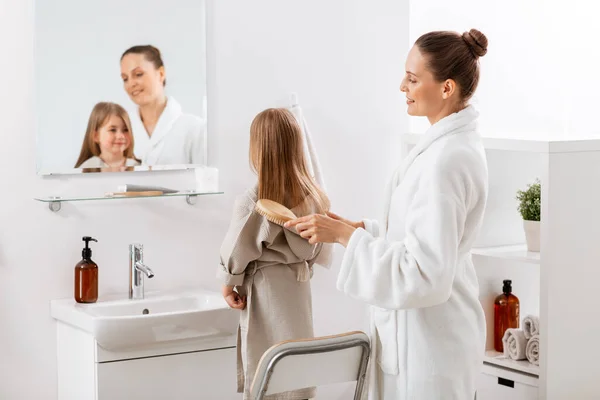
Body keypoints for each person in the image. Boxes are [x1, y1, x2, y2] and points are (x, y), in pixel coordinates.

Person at [285, 29, 490, 400]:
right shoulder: (443, 149)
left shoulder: (445, 161)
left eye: (412, 79)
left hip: (430, 351)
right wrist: (361, 228)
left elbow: (426, 273)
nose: (401, 87)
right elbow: (423, 239)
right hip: (431, 338)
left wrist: (347, 238)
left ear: (446, 88)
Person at [218, 108, 330, 400]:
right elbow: (315, 248)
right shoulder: (314, 197)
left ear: (257, 150)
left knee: (267, 366)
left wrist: (228, 283)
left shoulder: (253, 202)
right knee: (296, 358)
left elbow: (236, 249)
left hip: (266, 292)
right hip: (297, 289)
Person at [120, 45, 206, 166]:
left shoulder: (194, 129)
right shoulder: (120, 131)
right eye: (125, 79)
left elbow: (206, 181)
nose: (131, 83)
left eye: (138, 74)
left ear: (160, 74)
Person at [75, 102, 140, 170]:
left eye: (125, 130)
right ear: (96, 136)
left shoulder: (137, 166)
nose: (121, 136)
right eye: (113, 130)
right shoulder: (87, 167)